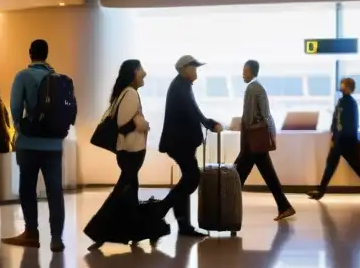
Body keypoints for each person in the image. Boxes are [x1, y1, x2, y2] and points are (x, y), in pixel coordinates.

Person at [85, 60, 169, 250]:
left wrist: (139, 122)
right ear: (133, 72)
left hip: (128, 151)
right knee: (122, 192)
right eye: (141, 69)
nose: (145, 73)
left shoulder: (125, 93)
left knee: (130, 193)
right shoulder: (130, 94)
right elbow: (123, 125)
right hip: (131, 151)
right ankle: (97, 230)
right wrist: (142, 124)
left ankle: (138, 232)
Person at [3, 39, 67, 252]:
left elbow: (14, 107)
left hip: (29, 144)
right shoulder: (59, 78)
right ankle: (56, 238)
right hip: (55, 145)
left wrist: (22, 130)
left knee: (28, 188)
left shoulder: (23, 76)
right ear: (47, 54)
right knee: (54, 190)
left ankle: (32, 232)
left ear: (30, 53)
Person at [158, 55, 222, 238]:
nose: (196, 71)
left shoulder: (182, 85)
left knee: (187, 179)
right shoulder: (181, 86)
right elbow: (193, 112)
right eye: (194, 68)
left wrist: (209, 123)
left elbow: (191, 111)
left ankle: (184, 225)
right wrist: (210, 124)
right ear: (184, 69)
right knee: (192, 178)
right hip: (179, 143)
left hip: (181, 142)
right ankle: (160, 211)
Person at [234, 60, 294, 222]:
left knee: (237, 175)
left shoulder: (252, 87)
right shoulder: (258, 86)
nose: (242, 74)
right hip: (257, 140)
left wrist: (243, 130)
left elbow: (250, 116)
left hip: (253, 140)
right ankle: (284, 206)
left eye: (245, 71)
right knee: (266, 174)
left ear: (251, 71)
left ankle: (226, 208)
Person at [309, 78, 360, 202]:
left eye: (343, 84)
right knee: (335, 165)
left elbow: (347, 123)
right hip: (342, 140)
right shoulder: (343, 101)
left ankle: (321, 191)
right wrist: (334, 136)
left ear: (348, 88)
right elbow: (337, 120)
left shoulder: (349, 103)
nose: (340, 86)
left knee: (341, 165)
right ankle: (321, 191)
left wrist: (338, 139)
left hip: (345, 141)